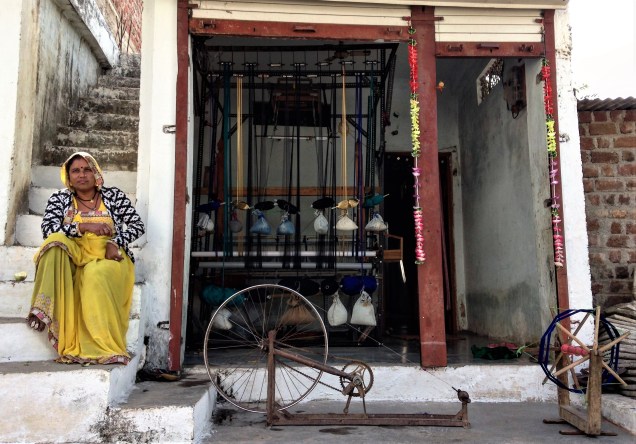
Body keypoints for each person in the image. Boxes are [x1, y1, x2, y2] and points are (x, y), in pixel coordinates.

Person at [25, 152, 145, 365]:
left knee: (94, 274)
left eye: (87, 169)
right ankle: (42, 308)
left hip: (108, 255)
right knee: (54, 243)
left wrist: (114, 243)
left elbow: (137, 226)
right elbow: (48, 228)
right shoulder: (59, 199)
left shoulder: (114, 195)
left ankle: (102, 346)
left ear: (96, 172)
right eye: (76, 171)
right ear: (68, 177)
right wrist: (83, 226)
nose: (82, 175)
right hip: (74, 253)